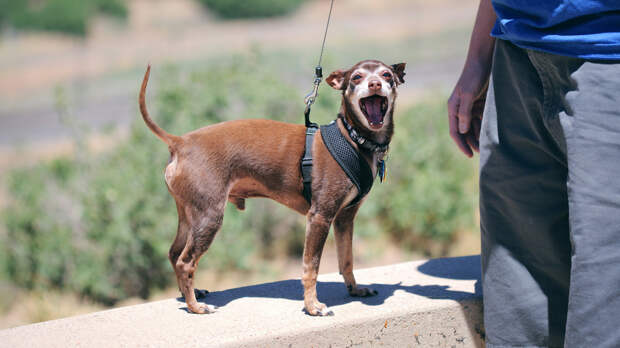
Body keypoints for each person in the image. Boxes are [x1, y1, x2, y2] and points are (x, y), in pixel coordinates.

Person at [448, 0, 620, 347]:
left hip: (608, 55)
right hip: (515, 53)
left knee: (601, 316)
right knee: (518, 315)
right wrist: (479, 55)